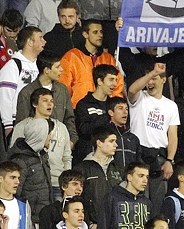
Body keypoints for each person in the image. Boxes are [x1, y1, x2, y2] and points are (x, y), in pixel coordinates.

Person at [127, 63, 178, 212]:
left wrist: (170, 160)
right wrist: (152, 73)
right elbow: (131, 89)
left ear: (163, 80)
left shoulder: (171, 106)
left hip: (159, 159)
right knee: (137, 204)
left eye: (155, 78)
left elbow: (173, 136)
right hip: (138, 156)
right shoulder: (139, 98)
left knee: (157, 207)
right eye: (148, 78)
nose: (150, 82)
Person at [7, 118, 53, 219]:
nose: (50, 137)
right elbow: (15, 192)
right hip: (29, 217)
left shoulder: (43, 156)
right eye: (48, 134)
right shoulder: (20, 160)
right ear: (39, 136)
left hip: (44, 216)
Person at [74, 126, 123, 221]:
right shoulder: (82, 168)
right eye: (111, 141)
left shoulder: (119, 168)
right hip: (93, 224)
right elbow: (77, 199)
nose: (116, 145)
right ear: (99, 143)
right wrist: (88, 223)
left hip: (117, 223)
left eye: (115, 141)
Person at [97, 162, 151, 229]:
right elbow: (103, 225)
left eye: (147, 177)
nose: (145, 180)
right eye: (141, 176)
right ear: (129, 177)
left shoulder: (147, 203)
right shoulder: (111, 198)